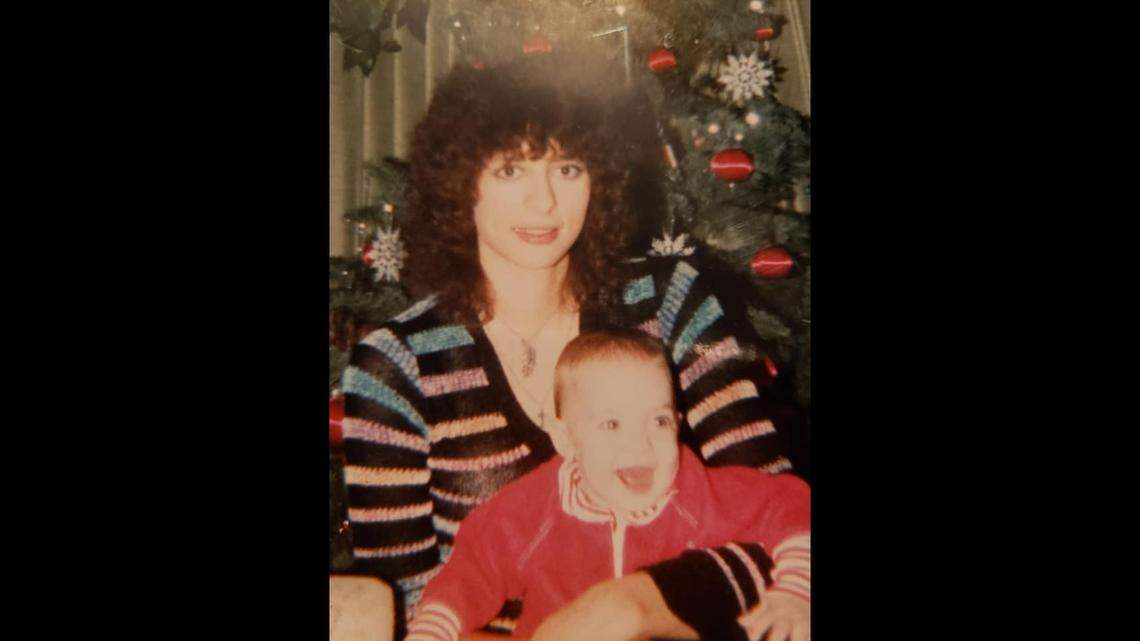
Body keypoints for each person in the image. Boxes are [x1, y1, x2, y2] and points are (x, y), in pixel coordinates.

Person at [341, 49, 798, 637]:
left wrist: (628, 605)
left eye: (568, 168)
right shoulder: (395, 367)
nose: (545, 202)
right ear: (460, 185)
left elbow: (779, 528)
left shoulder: (669, 303)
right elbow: (403, 612)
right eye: (510, 170)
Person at [403, 329, 810, 641]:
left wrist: (795, 590)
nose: (640, 443)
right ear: (564, 438)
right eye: (612, 424)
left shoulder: (699, 495)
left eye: (659, 421)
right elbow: (468, 572)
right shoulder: (532, 511)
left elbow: (792, 505)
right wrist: (429, 632)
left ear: (679, 424)